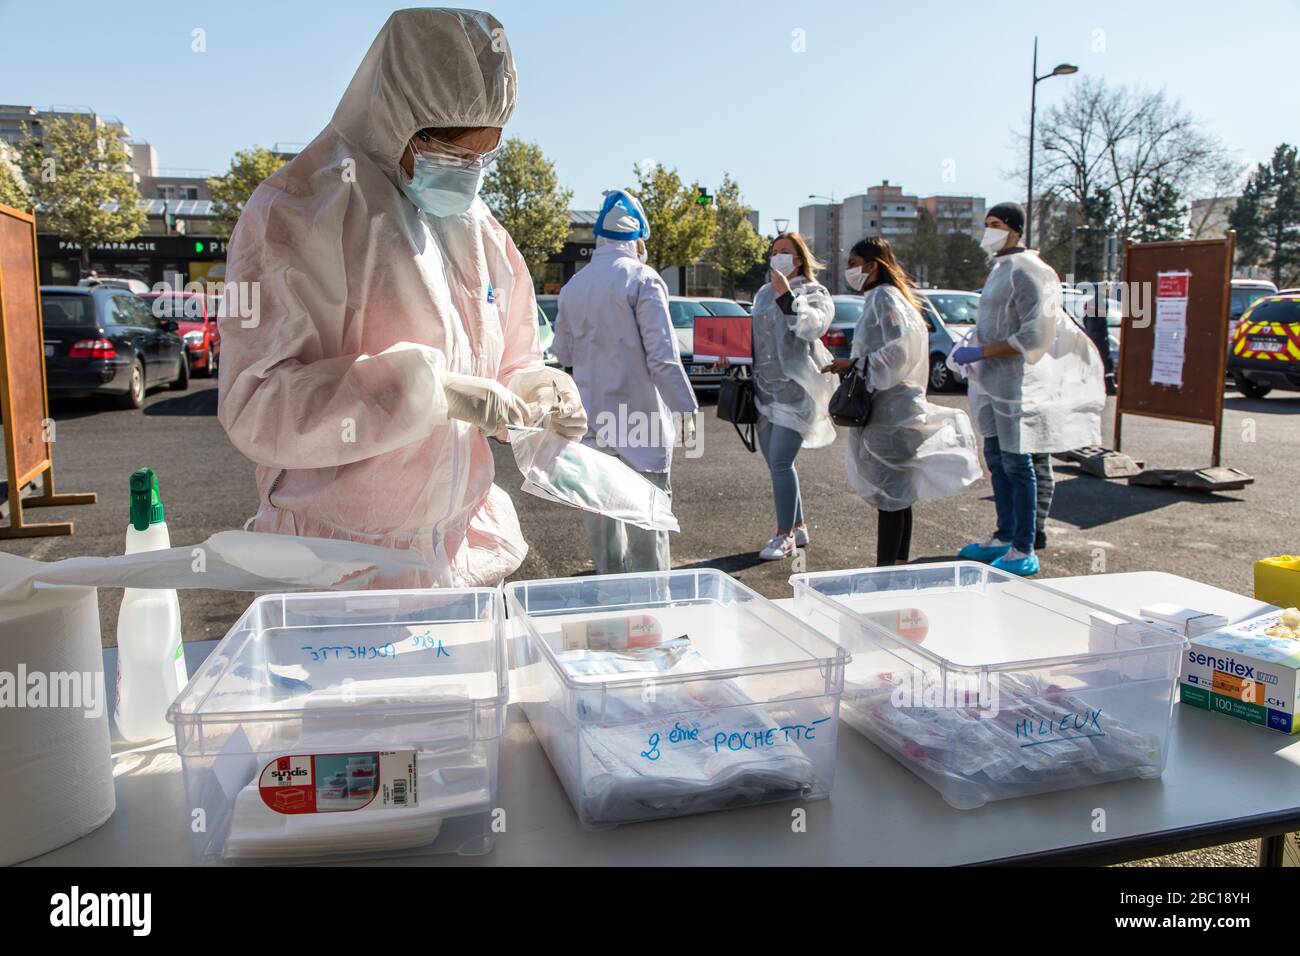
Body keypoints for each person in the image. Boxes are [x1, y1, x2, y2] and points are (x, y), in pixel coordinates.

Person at [217, 9, 586, 588]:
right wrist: (422, 393)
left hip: (464, 555)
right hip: (337, 566)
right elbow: (257, 406)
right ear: (395, 116)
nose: (468, 173)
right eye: (452, 152)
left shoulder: (479, 229)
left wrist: (532, 389)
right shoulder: (293, 214)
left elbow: (513, 351)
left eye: (483, 156)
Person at [949, 202, 1104, 576]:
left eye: (997, 224)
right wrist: (969, 348)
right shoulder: (1000, 269)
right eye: (986, 224)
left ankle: (1023, 546)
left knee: (1020, 464)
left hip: (1017, 382)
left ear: (1016, 229)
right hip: (990, 381)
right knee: (998, 460)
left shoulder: (1031, 271)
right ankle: (1004, 535)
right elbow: (995, 323)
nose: (990, 231)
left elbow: (1035, 334)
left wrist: (983, 350)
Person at [551, 189, 698, 574]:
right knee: (647, 532)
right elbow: (663, 359)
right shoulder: (643, 280)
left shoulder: (573, 287)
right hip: (641, 425)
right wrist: (687, 411)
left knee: (603, 535)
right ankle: (651, 618)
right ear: (638, 239)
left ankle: (609, 611)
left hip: (593, 428)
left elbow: (562, 354)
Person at [823, 238, 982, 566]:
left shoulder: (883, 297)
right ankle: (896, 566)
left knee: (890, 495)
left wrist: (855, 365)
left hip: (890, 411)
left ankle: (886, 572)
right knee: (899, 494)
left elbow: (901, 348)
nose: (849, 270)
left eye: (854, 263)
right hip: (897, 407)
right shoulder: (889, 297)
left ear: (872, 265)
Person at [725, 233, 837, 561]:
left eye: (785, 252)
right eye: (774, 252)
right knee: (776, 465)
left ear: (799, 259)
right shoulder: (761, 294)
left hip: (796, 392)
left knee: (780, 462)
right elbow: (755, 338)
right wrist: (729, 355)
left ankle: (784, 537)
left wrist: (787, 297)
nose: (778, 257)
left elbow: (812, 327)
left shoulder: (815, 293)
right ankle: (799, 526)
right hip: (764, 390)